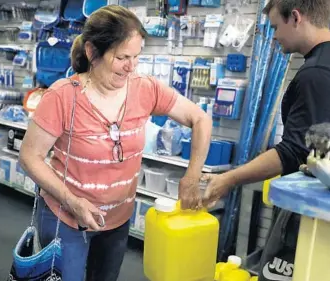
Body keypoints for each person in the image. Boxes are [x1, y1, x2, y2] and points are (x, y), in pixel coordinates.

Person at [19, 5, 212, 281]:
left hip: (117, 220)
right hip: (66, 217)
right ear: (92, 52)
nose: (131, 66)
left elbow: (200, 119)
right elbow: (29, 157)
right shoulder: (62, 96)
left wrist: (192, 176)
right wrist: (73, 201)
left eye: (136, 56)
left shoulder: (145, 88)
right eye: (122, 57)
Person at [202, 0, 330, 280]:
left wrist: (227, 179)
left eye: (275, 27)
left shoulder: (316, 74)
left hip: (312, 213)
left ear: (295, 18)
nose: (273, 37)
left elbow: (294, 152)